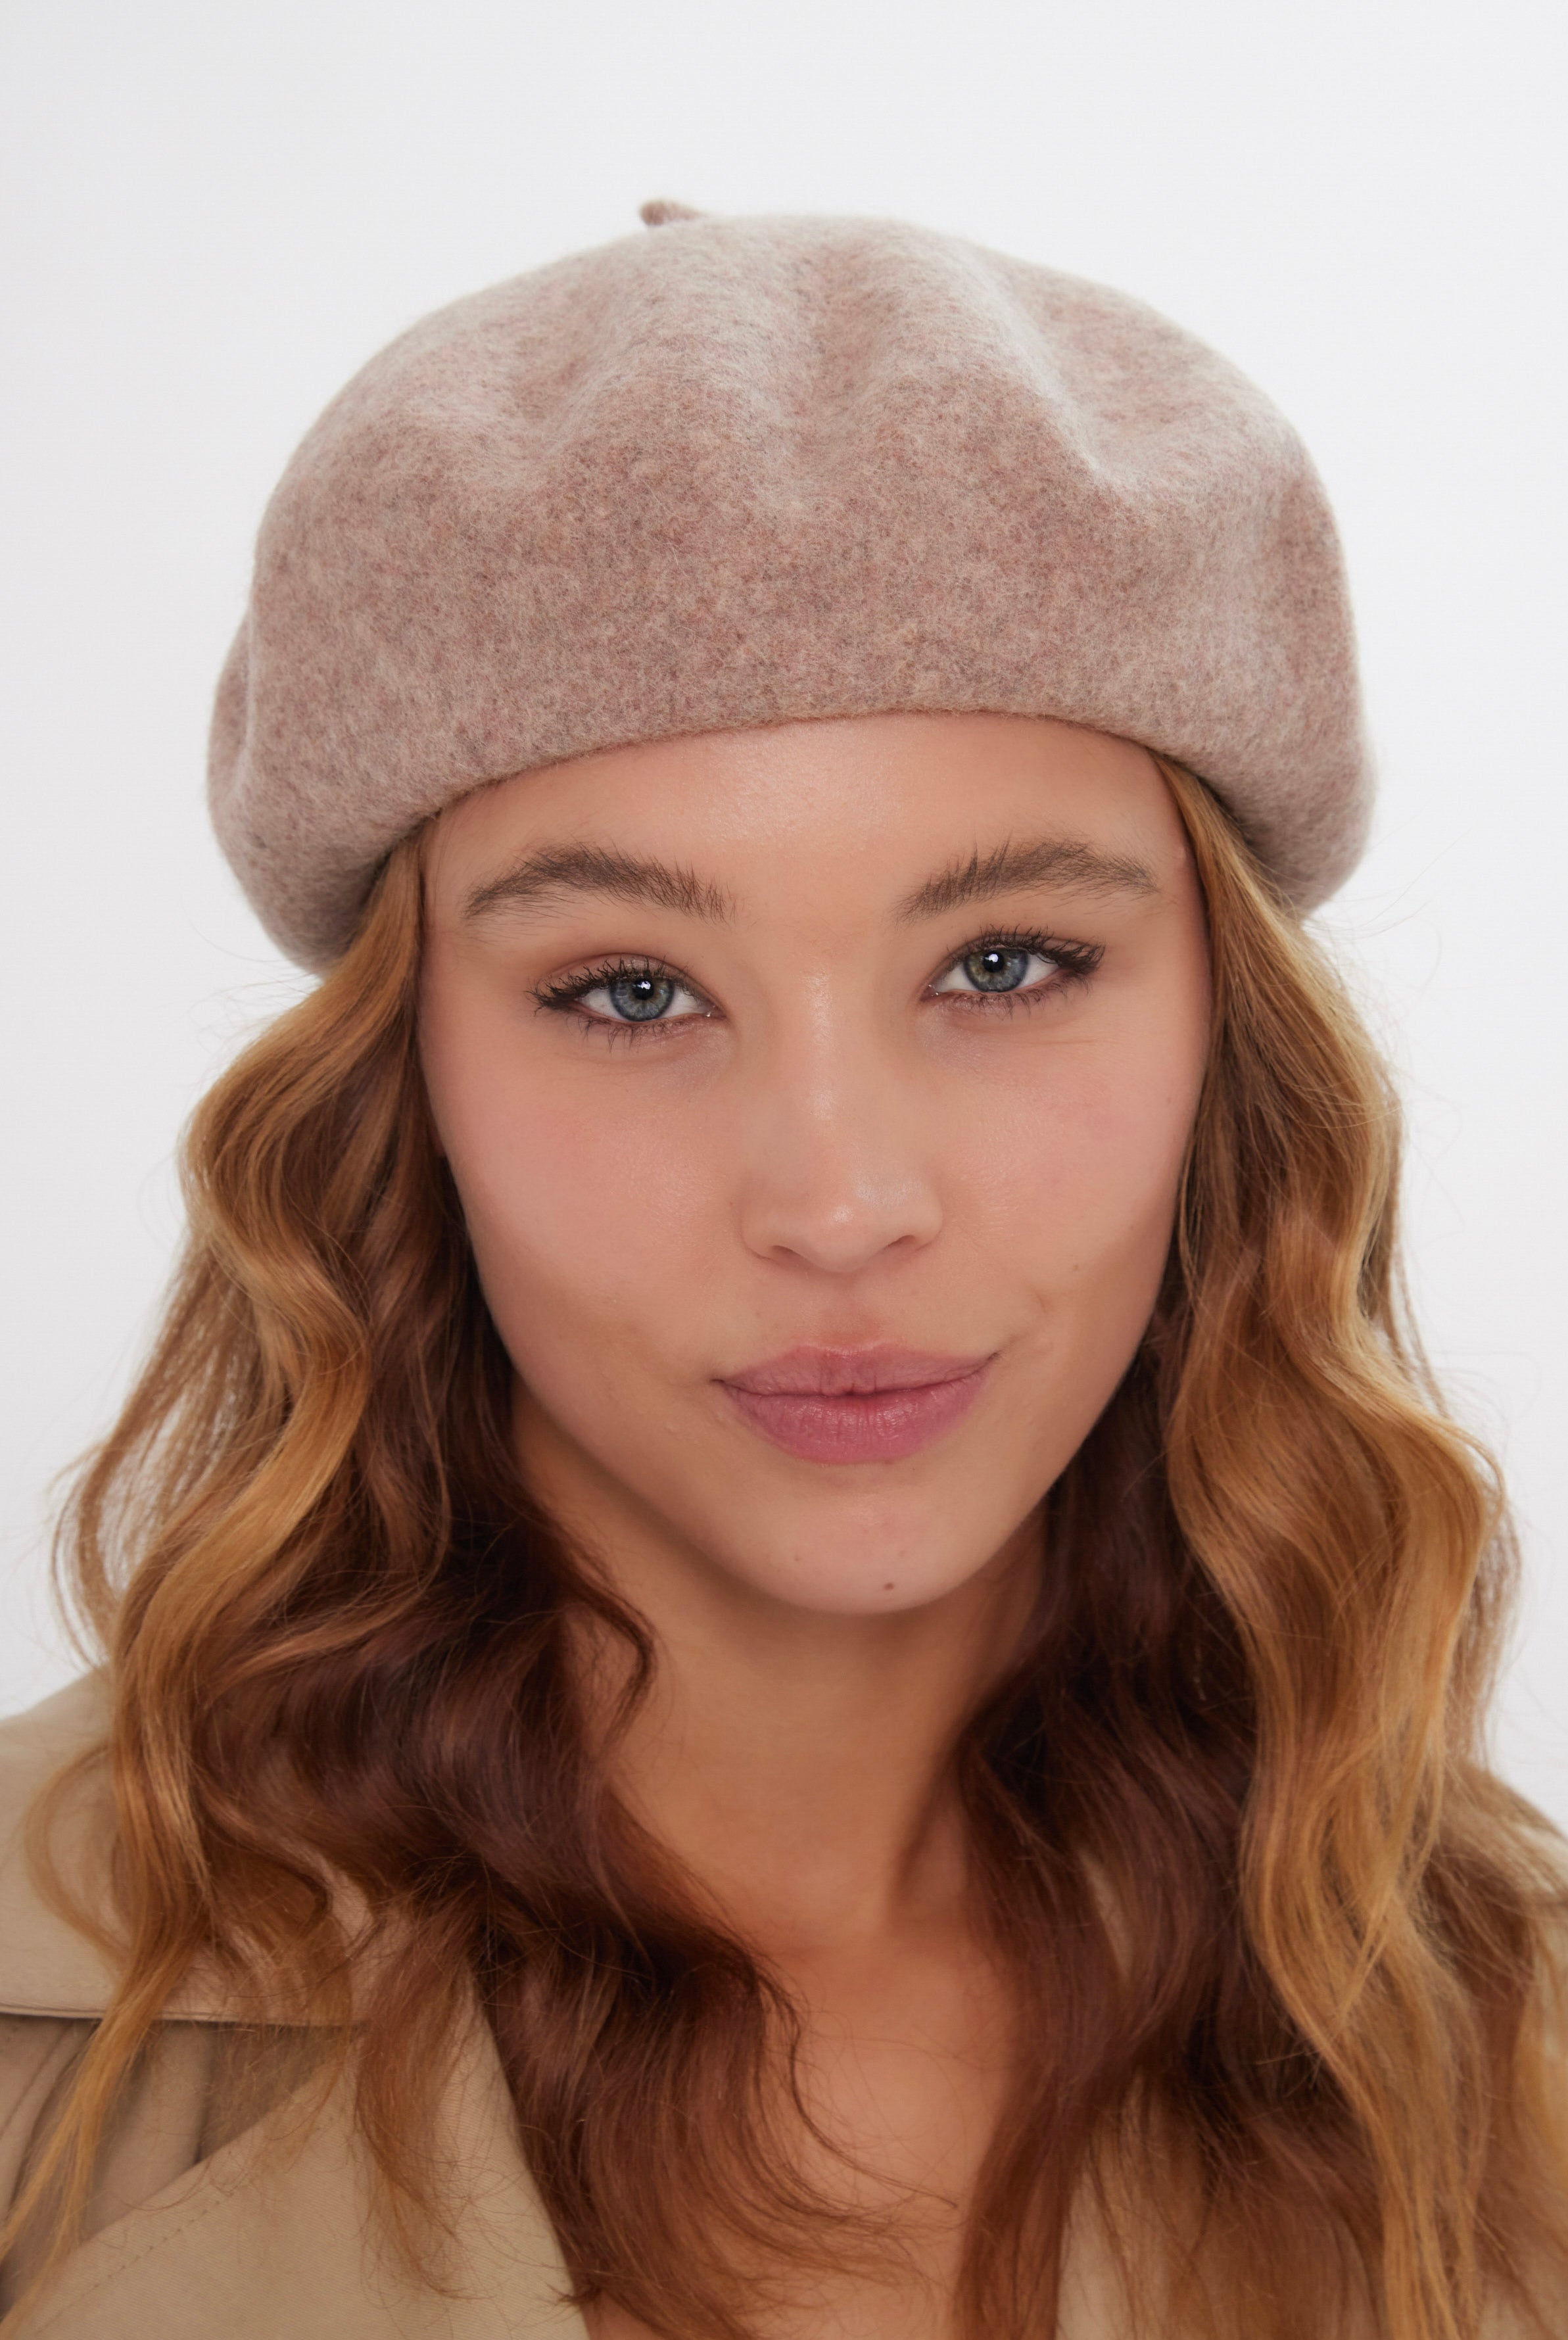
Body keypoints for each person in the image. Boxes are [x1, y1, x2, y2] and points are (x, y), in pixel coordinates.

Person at [0, 204, 1563, 2340]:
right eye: (631, 991)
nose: (838, 1203)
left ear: (1228, 1039)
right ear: (402, 1080)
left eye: (1006, 964)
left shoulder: (1514, 2041)